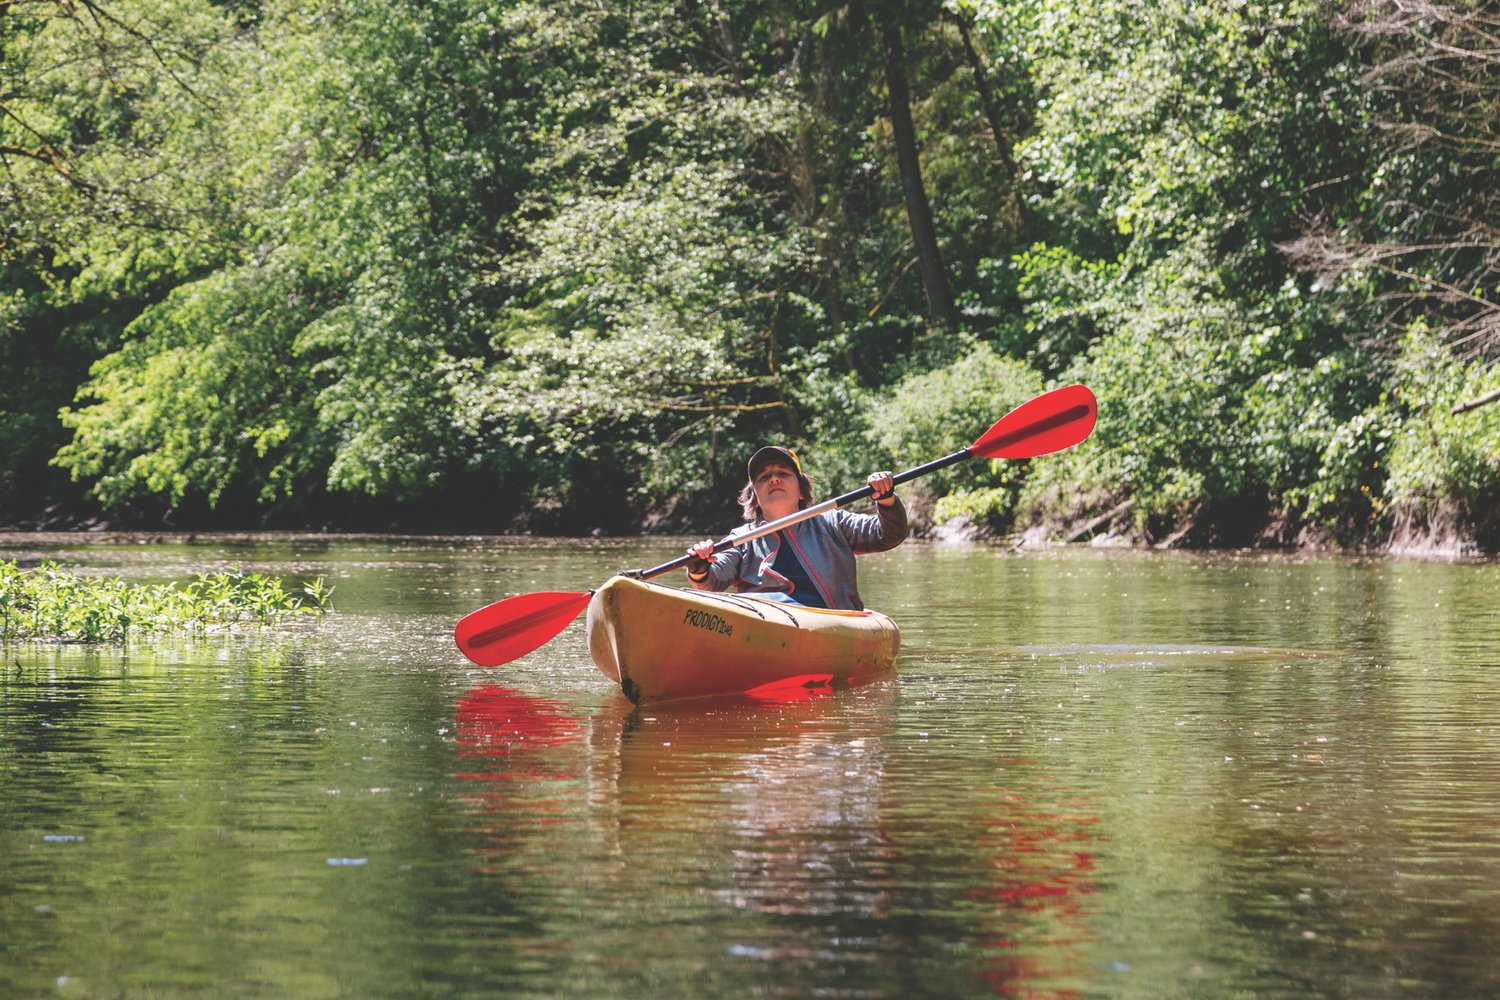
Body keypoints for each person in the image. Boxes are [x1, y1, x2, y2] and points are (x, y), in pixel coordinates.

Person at [684, 445, 908, 611]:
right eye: (764, 477)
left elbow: (888, 535)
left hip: (833, 623)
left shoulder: (833, 523)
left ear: (801, 491)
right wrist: (699, 568)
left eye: (783, 473)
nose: (774, 479)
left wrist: (886, 499)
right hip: (766, 619)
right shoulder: (742, 539)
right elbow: (711, 582)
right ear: (755, 498)